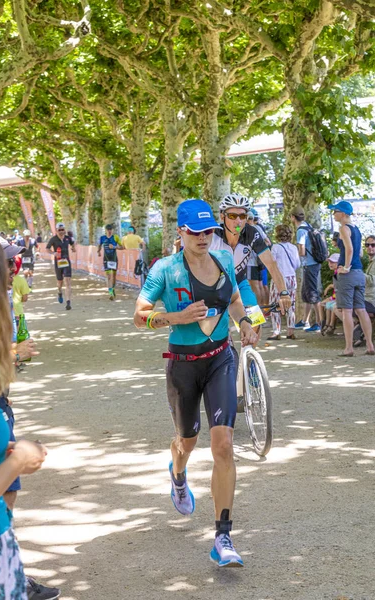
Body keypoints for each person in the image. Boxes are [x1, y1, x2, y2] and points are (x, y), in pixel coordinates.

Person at [134, 199, 259, 568]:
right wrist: (174, 316)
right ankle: (177, 473)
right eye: (196, 231)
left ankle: (222, 536)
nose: (204, 237)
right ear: (181, 232)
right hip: (183, 365)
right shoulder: (165, 269)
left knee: (223, 446)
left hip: (221, 358)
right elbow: (139, 317)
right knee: (187, 441)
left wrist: (246, 323)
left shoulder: (222, 262)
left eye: (209, 231)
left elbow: (235, 299)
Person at [0, 234, 60, 600]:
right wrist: (11, 351)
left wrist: (13, 356)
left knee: (9, 492)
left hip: (1, 401)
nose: (11, 267)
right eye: (4, 262)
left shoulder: (7, 299)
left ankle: (13, 568)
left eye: (12, 261)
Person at [210, 193, 292, 316]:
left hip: (240, 283)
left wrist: (284, 293)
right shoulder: (213, 235)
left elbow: (271, 264)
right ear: (222, 216)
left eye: (242, 216)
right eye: (232, 216)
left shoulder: (252, 234)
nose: (238, 221)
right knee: (219, 329)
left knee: (255, 321)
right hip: (214, 286)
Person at [328, 201, 375, 356]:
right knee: (361, 310)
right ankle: (370, 345)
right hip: (359, 273)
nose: (333, 214)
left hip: (347, 274)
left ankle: (349, 348)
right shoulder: (356, 229)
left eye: (335, 211)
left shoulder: (343, 228)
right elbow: (360, 253)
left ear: (342, 213)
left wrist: (346, 266)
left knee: (347, 311)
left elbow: (350, 249)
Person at [290, 205, 323, 332]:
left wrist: (294, 255)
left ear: (293, 217)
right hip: (312, 264)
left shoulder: (300, 231)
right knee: (306, 293)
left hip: (309, 265)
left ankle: (319, 323)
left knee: (313, 294)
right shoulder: (308, 226)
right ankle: (305, 321)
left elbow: (302, 251)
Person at [352, 235, 375, 347]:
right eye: (367, 245)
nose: (370, 247)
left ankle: (360, 333)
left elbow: (372, 280)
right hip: (368, 299)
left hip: (374, 302)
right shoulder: (374, 261)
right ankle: (360, 332)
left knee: (348, 306)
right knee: (343, 305)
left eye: (373, 245)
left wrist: (358, 273)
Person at [267, 225, 301, 340]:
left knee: (275, 304)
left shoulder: (275, 247)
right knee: (291, 304)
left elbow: (271, 263)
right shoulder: (293, 247)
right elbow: (297, 264)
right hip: (291, 277)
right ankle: (290, 330)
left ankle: (276, 331)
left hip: (279, 278)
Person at [46, 223, 76, 310]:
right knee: (60, 282)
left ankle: (68, 302)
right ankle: (59, 292)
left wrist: (73, 248)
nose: (62, 231)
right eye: (60, 230)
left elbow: (73, 243)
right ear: (56, 231)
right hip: (58, 263)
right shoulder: (53, 239)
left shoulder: (67, 238)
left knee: (68, 281)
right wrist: (53, 253)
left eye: (63, 230)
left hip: (66, 262)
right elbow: (47, 249)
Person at [247, 210, 271, 305]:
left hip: (251, 261)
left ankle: (257, 310)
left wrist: (254, 248)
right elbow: (268, 242)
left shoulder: (248, 229)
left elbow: (235, 231)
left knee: (254, 286)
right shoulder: (258, 228)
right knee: (260, 285)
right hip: (260, 261)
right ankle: (263, 309)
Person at [97, 224, 123, 300]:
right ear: (106, 230)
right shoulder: (102, 238)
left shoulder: (115, 237)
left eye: (110, 230)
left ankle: (113, 288)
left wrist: (114, 247)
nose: (109, 231)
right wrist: (98, 251)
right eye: (108, 230)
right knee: (108, 276)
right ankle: (110, 292)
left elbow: (122, 247)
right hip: (106, 258)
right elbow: (99, 245)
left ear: (112, 230)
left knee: (114, 276)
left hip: (114, 258)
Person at [320, 253, 340, 336]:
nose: (330, 264)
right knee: (322, 304)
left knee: (331, 305)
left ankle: (330, 325)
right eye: (329, 262)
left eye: (333, 262)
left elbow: (338, 287)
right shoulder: (336, 272)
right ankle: (324, 323)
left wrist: (329, 287)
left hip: (338, 297)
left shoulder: (339, 272)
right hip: (335, 296)